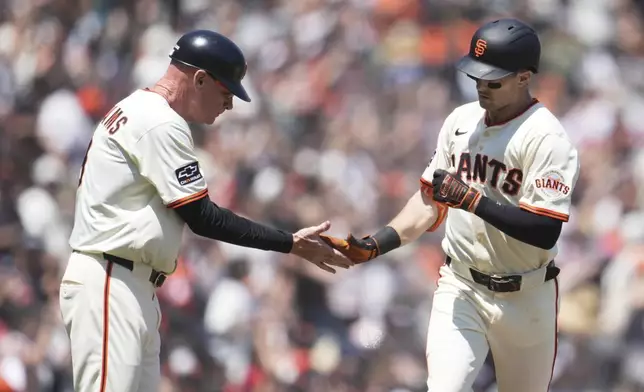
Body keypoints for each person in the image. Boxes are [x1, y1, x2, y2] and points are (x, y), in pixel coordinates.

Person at [59, 29, 352, 392]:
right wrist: (289, 243)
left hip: (128, 281)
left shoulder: (142, 108)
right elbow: (203, 217)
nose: (229, 105)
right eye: (226, 92)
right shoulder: (160, 121)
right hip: (111, 278)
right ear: (199, 79)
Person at [322, 18, 580, 392]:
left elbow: (544, 230)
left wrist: (473, 201)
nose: (481, 87)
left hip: (527, 297)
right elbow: (429, 202)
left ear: (524, 77)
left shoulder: (547, 138)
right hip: (461, 285)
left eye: (493, 80)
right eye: (477, 77)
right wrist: (378, 244)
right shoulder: (461, 121)